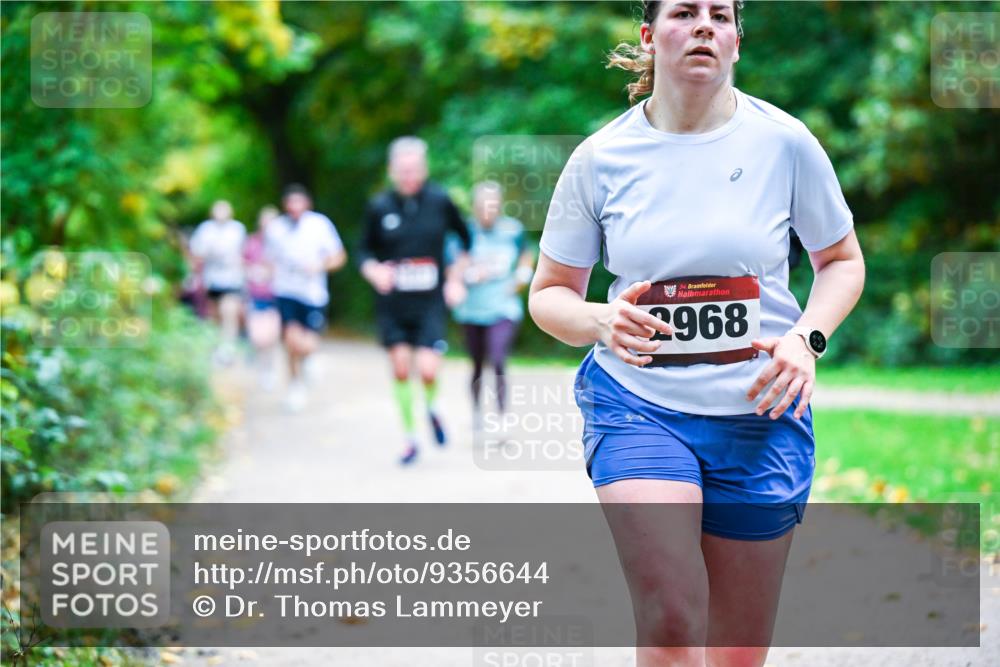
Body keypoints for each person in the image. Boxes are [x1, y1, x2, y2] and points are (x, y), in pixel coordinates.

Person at [528, 2, 865, 666]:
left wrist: (807, 341)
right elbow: (548, 295)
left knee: (736, 652)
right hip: (638, 407)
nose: (706, 25)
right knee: (673, 616)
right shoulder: (600, 159)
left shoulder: (786, 143)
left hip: (760, 412)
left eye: (721, 14)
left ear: (738, 41)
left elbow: (843, 264)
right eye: (685, 11)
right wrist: (601, 317)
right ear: (651, 37)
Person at [358, 136, 471, 465]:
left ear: (423, 169)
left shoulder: (440, 200)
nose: (409, 175)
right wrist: (373, 271)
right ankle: (409, 439)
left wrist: (454, 278)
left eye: (415, 169)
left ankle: (433, 408)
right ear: (392, 170)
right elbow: (363, 251)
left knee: (428, 369)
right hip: (392, 302)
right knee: (400, 367)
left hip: (430, 301)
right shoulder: (379, 206)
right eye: (403, 170)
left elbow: (466, 240)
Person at [451, 181, 535, 430]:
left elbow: (527, 255)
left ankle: (501, 417)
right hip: (472, 308)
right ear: (474, 207)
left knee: (498, 358)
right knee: (477, 363)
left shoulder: (512, 230)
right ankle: (477, 412)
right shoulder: (463, 231)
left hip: (503, 307)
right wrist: (463, 276)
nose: (487, 211)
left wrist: (520, 278)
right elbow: (453, 264)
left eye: (493, 206)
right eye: (482, 206)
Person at [267, 184, 348, 411]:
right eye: (290, 203)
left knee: (308, 343)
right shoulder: (276, 229)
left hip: (313, 294)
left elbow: (339, 256)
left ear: (307, 204)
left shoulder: (320, 225)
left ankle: (310, 359)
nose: (294, 207)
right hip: (285, 291)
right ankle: (294, 386)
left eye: (298, 202)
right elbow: (269, 260)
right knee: (291, 340)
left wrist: (319, 265)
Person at [189, 200, 246, 365]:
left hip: (232, 279)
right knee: (215, 315)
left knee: (229, 311)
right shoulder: (205, 229)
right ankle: (216, 348)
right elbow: (196, 253)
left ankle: (228, 349)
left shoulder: (237, 229)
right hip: (212, 279)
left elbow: (243, 253)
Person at [243, 205, 282, 389]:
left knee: (272, 336)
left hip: (277, 295)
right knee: (258, 336)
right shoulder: (251, 242)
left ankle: (270, 369)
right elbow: (242, 262)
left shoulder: (284, 242)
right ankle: (262, 366)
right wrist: (252, 272)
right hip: (256, 294)